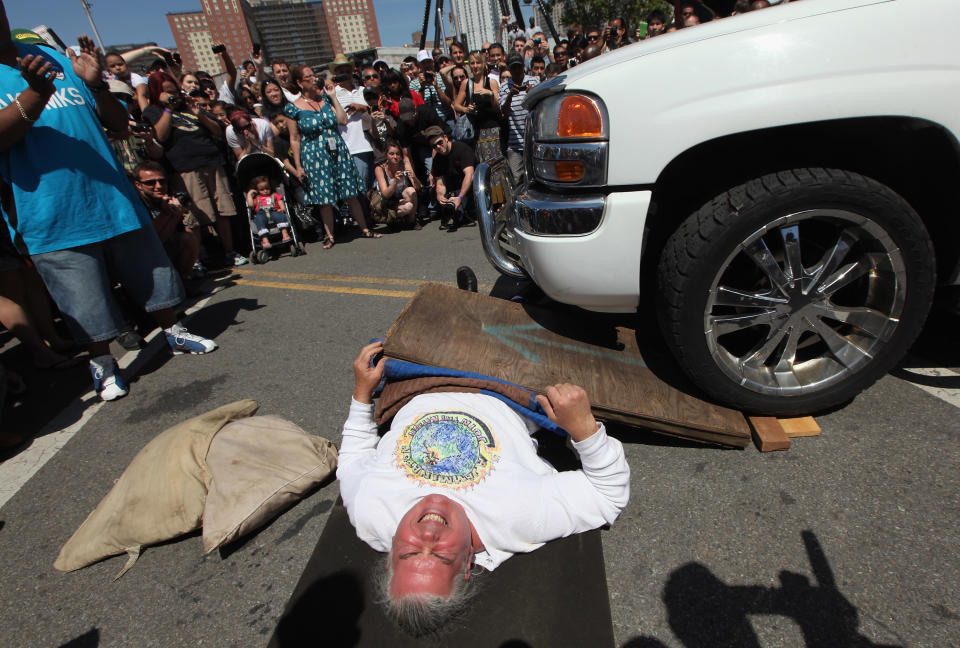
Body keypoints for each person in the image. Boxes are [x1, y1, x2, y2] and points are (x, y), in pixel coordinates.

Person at [338, 341, 629, 635]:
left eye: (410, 553)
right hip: (505, 387)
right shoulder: (519, 520)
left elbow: (352, 459)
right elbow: (608, 495)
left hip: (413, 379)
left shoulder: (369, 514)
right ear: (466, 565)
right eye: (440, 556)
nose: (428, 535)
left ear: (390, 559)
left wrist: (361, 394)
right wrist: (584, 428)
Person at [0, 20, 218, 402]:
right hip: (51, 213)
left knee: (154, 273)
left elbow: (117, 124)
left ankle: (175, 332)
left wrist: (97, 83)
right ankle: (103, 364)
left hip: (111, 198)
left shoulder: (55, 57)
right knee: (81, 300)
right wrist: (35, 93)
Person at [142, 71, 248, 266]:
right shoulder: (153, 111)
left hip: (212, 162)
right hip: (185, 168)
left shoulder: (189, 106)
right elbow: (161, 136)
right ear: (157, 92)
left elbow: (218, 131)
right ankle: (196, 259)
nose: (173, 95)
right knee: (195, 216)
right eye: (166, 91)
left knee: (222, 210)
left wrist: (200, 115)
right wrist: (167, 108)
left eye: (174, 90)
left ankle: (229, 252)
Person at [283, 65, 378, 248]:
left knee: (350, 191)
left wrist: (333, 97)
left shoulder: (326, 99)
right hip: (314, 154)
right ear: (299, 82)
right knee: (324, 198)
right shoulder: (293, 108)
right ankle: (330, 235)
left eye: (313, 75)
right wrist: (298, 165)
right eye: (308, 77)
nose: (313, 79)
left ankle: (365, 228)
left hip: (337, 149)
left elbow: (342, 120)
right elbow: (294, 139)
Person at [133, 161, 201, 282]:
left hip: (162, 249)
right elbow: (148, 239)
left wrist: (177, 214)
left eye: (162, 181)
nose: (158, 186)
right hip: (141, 255)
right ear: (138, 185)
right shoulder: (136, 204)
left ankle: (182, 280)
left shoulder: (168, 197)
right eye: (150, 183)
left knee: (189, 235)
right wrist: (166, 214)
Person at [425, 126, 474, 231]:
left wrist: (460, 197)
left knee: (461, 210)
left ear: (446, 138)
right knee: (451, 207)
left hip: (471, 184)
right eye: (434, 146)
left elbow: (469, 175)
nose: (438, 147)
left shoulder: (461, 149)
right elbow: (440, 183)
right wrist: (440, 195)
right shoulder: (438, 158)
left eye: (440, 142)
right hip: (454, 186)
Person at [454, 52, 500, 163]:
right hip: (474, 131)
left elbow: (497, 107)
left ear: (484, 64)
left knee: (495, 164)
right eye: (472, 63)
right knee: (480, 164)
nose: (475, 66)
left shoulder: (491, 82)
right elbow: (456, 105)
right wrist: (466, 109)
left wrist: (490, 93)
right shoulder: (466, 83)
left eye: (478, 63)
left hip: (492, 129)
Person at [500, 53, 538, 184]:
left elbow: (541, 106)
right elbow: (503, 112)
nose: (517, 71)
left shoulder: (534, 81)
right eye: (513, 68)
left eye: (519, 67)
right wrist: (510, 95)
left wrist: (532, 93)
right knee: (517, 180)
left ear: (523, 67)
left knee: (536, 179)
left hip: (534, 141)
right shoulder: (505, 86)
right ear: (509, 70)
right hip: (514, 144)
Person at [372, 140, 420, 229]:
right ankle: (393, 219)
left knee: (411, 191)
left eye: (398, 154)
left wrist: (414, 177)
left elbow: (417, 188)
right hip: (386, 203)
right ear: (386, 154)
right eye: (391, 154)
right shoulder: (380, 169)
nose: (395, 157)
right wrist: (395, 181)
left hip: (400, 197)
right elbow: (385, 195)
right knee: (408, 207)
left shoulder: (405, 164)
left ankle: (412, 221)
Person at [246, 175, 292, 249]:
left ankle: (285, 234)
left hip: (273, 211)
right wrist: (249, 194)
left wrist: (282, 208)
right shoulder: (256, 198)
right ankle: (265, 240)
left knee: (280, 216)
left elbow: (280, 201)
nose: (265, 191)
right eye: (262, 189)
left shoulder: (274, 195)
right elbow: (251, 205)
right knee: (259, 220)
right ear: (257, 190)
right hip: (261, 213)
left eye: (267, 188)